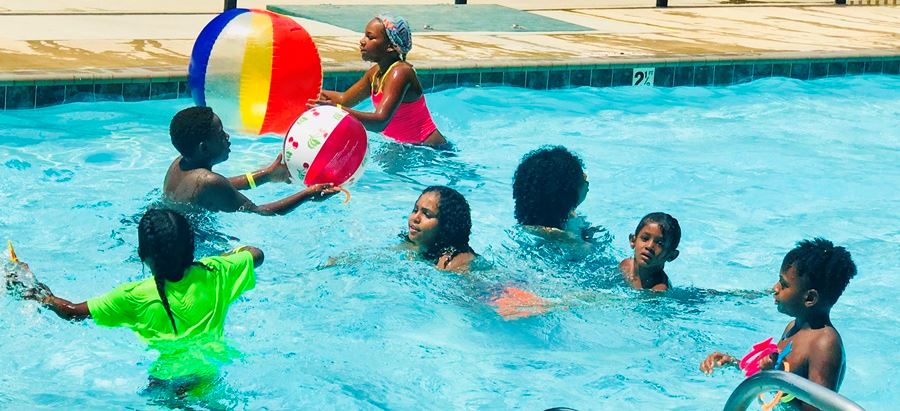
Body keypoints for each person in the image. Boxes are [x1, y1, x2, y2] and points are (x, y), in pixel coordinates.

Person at [22, 209, 264, 392]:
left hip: (164, 382)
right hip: (209, 376)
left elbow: (73, 312)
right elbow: (255, 254)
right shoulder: (216, 273)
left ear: (141, 255)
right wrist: (221, 259)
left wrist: (41, 294)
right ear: (191, 247)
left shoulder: (134, 296)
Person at [700, 238, 857, 408]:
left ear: (810, 298)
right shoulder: (792, 327)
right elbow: (774, 371)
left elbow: (817, 408)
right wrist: (733, 363)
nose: (775, 288)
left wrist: (776, 381)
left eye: (784, 284)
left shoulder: (824, 344)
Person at [163, 106, 340, 215]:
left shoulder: (180, 164)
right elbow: (259, 212)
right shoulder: (209, 181)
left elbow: (224, 185)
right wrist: (307, 195)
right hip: (197, 245)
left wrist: (268, 175)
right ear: (204, 148)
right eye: (220, 134)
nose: (227, 136)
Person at [308, 14, 447, 147]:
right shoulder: (375, 72)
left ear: (390, 46)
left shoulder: (401, 73)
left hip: (430, 149)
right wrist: (307, 93)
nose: (362, 41)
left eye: (370, 37)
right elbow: (343, 99)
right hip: (404, 146)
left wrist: (337, 110)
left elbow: (380, 122)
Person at [512, 146, 591, 239]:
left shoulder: (535, 220)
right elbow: (584, 249)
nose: (585, 177)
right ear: (568, 193)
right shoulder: (563, 238)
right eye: (583, 177)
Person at [404, 186, 475, 271]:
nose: (415, 218)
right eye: (415, 210)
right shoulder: (418, 243)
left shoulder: (453, 263)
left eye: (427, 214)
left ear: (446, 226)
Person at [618, 212, 681, 291]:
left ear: (671, 256)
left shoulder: (659, 290)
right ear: (633, 241)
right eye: (645, 238)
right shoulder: (626, 266)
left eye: (660, 244)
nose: (649, 246)